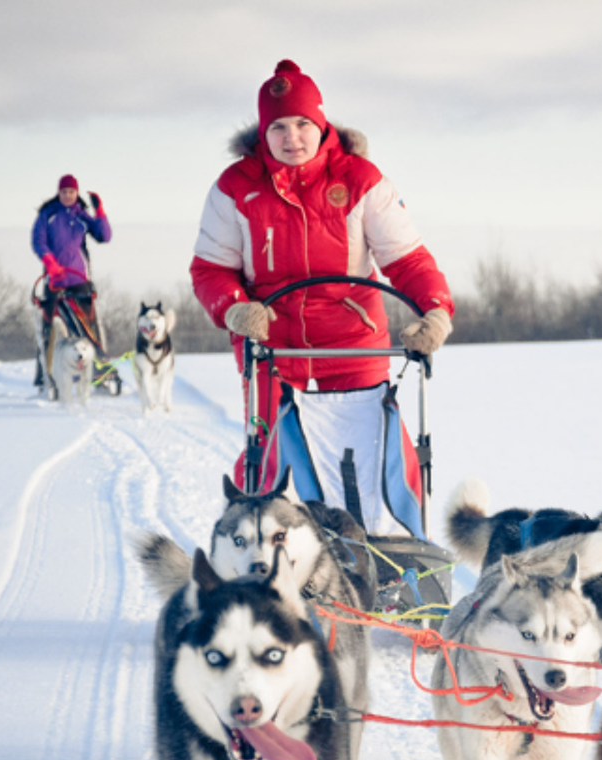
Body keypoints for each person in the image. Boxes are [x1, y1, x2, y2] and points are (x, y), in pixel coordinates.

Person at [190, 59, 455, 536]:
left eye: (302, 124)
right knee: (270, 455)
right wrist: (234, 306)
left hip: (352, 344)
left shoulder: (360, 180)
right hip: (272, 347)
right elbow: (211, 269)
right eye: (279, 127)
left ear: (322, 123)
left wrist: (434, 311)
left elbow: (408, 260)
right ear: (263, 133)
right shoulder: (236, 188)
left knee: (370, 457)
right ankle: (263, 551)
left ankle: (383, 549)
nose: (292, 137)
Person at [31, 174, 112, 388]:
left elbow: (104, 236)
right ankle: (45, 376)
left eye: (71, 192)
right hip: (54, 280)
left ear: (76, 194)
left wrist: (99, 211)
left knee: (89, 327)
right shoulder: (47, 215)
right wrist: (50, 262)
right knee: (49, 328)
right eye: (64, 192)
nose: (68, 196)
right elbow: (38, 241)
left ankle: (100, 373)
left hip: (78, 278)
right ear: (59, 193)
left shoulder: (81, 216)